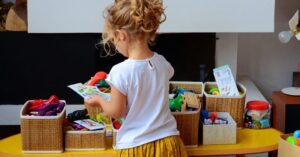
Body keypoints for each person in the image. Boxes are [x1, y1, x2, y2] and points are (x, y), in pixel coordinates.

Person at [84, 0, 187, 156]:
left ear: (121, 35)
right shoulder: (162, 63)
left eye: (113, 39)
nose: (115, 44)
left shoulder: (120, 71)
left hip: (137, 146)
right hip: (169, 143)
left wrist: (99, 100)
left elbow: (116, 112)